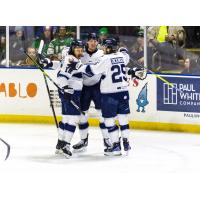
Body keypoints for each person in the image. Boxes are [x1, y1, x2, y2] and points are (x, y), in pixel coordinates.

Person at [71, 38, 146, 156]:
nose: (103, 48)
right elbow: (125, 53)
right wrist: (124, 53)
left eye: (105, 46)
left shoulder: (105, 59)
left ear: (109, 48)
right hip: (123, 92)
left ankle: (116, 146)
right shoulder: (122, 56)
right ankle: (126, 143)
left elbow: (91, 71)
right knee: (123, 119)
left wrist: (77, 66)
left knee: (109, 120)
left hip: (109, 93)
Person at [72, 33, 111, 153]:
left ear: (97, 42)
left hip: (98, 87)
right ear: (87, 42)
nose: (93, 42)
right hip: (84, 88)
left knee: (102, 115)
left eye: (95, 40)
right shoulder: (81, 53)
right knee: (82, 115)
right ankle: (84, 140)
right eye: (91, 40)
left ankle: (107, 140)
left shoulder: (102, 54)